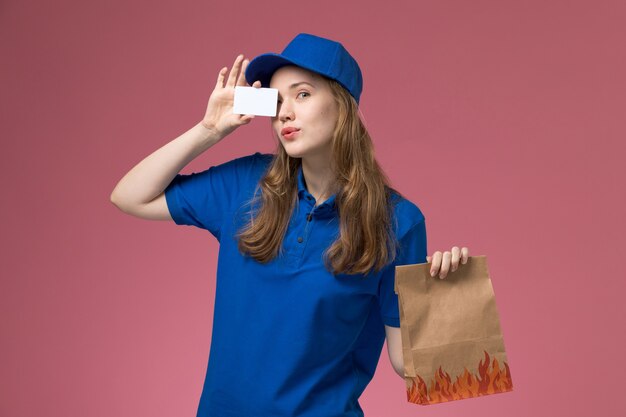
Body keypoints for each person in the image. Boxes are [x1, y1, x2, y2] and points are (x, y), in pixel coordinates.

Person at [111, 33, 470, 417]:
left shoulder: (399, 222)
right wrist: (209, 131)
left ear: (343, 105)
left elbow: (411, 366)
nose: (284, 112)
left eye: (302, 95)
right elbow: (129, 196)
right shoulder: (244, 185)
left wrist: (447, 301)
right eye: (277, 100)